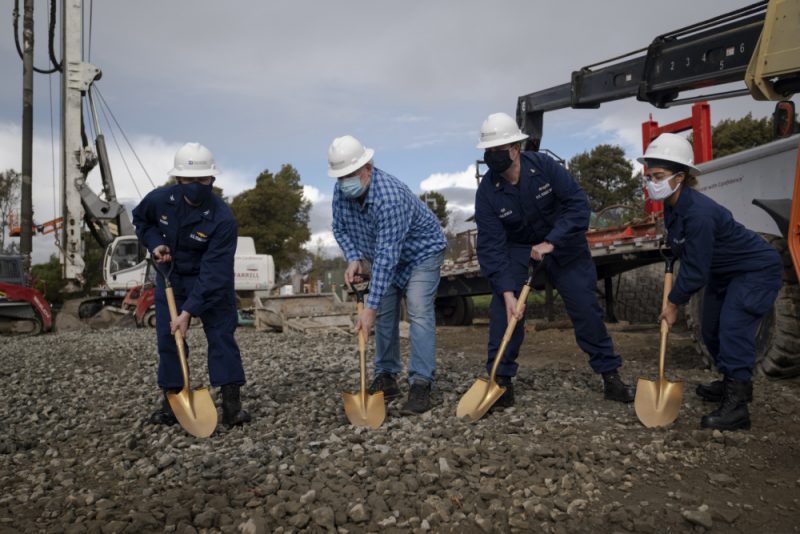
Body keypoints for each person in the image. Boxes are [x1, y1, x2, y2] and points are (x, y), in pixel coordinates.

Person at [473, 112, 636, 408]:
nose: (492, 157)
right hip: (520, 250)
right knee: (504, 311)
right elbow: (490, 245)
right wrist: (508, 292)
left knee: (585, 308)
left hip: (563, 246)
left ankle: (610, 376)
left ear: (515, 149)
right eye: (488, 152)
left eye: (498, 151)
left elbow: (577, 204)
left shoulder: (545, 167)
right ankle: (501, 381)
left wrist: (552, 241)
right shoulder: (487, 192)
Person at [641, 133, 782, 430]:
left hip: (754, 270)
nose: (652, 182)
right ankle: (730, 380)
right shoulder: (672, 204)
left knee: (733, 327)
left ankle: (737, 406)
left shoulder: (699, 213)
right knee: (711, 329)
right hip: (724, 272)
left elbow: (694, 270)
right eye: (649, 175)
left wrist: (673, 303)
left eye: (659, 175)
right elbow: (687, 249)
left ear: (680, 176)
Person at [132, 142, 251, 428]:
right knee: (168, 339)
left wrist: (188, 312)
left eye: (201, 180)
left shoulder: (223, 218)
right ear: (178, 179)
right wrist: (155, 244)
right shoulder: (159, 200)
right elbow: (141, 221)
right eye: (188, 180)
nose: (195, 185)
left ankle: (232, 405)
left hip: (212, 282)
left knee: (222, 338)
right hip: (170, 277)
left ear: (212, 179)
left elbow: (215, 271)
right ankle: (173, 401)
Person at [328, 135, 447, 415]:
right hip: (384, 254)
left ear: (368, 168)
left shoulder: (389, 197)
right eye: (341, 176)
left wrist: (368, 309)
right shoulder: (342, 192)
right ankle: (387, 376)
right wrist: (353, 257)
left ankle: (420, 382)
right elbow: (339, 228)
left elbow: (387, 257)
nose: (345, 181)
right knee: (384, 314)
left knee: (417, 310)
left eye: (351, 175)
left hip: (421, 254)